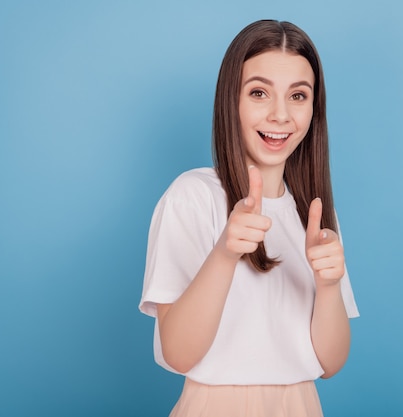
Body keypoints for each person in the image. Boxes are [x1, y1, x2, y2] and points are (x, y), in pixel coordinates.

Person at [139, 19, 359, 417]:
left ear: (314, 108)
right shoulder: (193, 197)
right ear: (231, 100)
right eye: (259, 92)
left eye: (298, 96)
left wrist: (329, 287)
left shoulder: (313, 214)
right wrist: (224, 254)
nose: (280, 115)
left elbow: (330, 364)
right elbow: (179, 354)